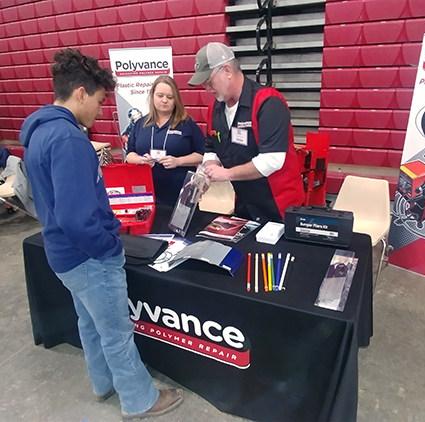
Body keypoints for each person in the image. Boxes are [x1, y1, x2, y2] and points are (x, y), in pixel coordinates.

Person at [19, 48, 183, 420]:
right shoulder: (68, 140)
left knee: (90, 322)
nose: (98, 111)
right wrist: (109, 246)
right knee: (116, 331)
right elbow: (77, 219)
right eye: (97, 101)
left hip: (62, 253)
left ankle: (103, 383)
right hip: (88, 257)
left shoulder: (39, 132)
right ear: (80, 93)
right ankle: (140, 399)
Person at [188, 42, 304, 223]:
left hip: (279, 207)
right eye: (203, 84)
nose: (207, 88)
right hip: (245, 205)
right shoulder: (214, 109)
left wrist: (226, 174)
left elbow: (272, 160)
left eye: (208, 81)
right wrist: (207, 174)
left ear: (227, 71)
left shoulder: (268, 103)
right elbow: (211, 149)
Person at [126, 75, 204, 207]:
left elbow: (202, 155)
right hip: (147, 193)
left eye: (170, 97)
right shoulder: (140, 124)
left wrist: (178, 161)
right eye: (160, 95)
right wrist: (140, 160)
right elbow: (129, 155)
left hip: (180, 192)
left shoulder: (186, 124)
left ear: (176, 100)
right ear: (152, 96)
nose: (164, 100)